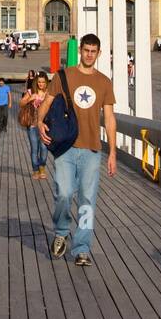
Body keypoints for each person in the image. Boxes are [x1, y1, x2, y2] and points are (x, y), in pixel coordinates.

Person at [37, 33, 117, 266]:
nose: (89, 55)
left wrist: (112, 152)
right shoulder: (65, 76)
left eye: (94, 51)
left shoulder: (104, 82)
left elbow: (110, 119)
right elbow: (47, 101)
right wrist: (39, 121)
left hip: (92, 148)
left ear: (99, 54)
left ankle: (82, 248)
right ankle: (61, 231)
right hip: (66, 147)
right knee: (63, 192)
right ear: (80, 50)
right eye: (86, 50)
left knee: (87, 200)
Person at [20, 70, 50, 178]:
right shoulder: (30, 91)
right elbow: (21, 103)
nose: (41, 84)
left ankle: (42, 166)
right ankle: (35, 170)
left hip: (45, 125)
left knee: (44, 148)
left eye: (43, 82)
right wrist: (29, 99)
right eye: (39, 82)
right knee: (34, 148)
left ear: (46, 82)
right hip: (32, 125)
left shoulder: (49, 93)